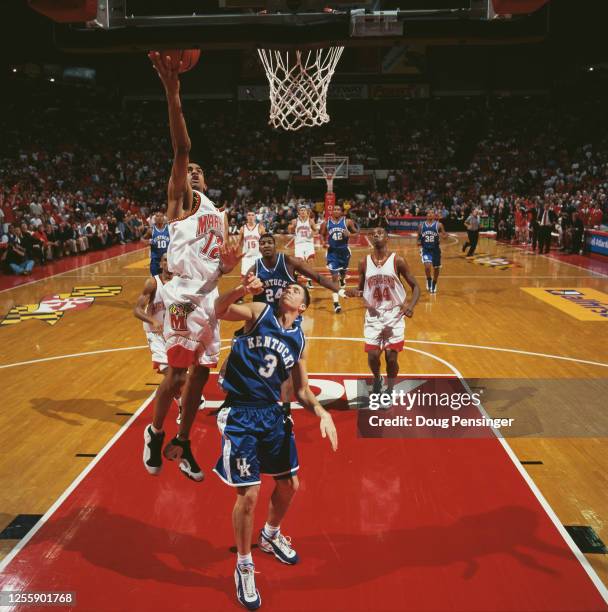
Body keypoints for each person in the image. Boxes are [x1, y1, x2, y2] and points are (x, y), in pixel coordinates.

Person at [142, 51, 241, 482]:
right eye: (190, 170)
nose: (194, 172)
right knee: (178, 370)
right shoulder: (180, 201)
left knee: (201, 377)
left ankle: (181, 442)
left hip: (208, 297)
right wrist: (173, 92)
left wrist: (230, 266)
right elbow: (181, 146)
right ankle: (155, 431)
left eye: (200, 171)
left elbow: (219, 265)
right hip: (182, 295)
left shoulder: (218, 213)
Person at [214, 274, 338, 611]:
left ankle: (269, 535)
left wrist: (321, 412)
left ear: (302, 307)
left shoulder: (298, 340)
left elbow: (301, 389)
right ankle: (243, 565)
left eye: (297, 290)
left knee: (289, 485)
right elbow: (218, 309)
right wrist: (240, 289)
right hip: (240, 412)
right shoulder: (259, 312)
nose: (289, 289)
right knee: (250, 494)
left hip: (272, 415)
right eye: (289, 287)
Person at [346, 227, 420, 394]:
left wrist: (410, 305)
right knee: (372, 356)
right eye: (374, 233)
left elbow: (416, 287)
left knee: (391, 358)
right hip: (373, 316)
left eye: (380, 233)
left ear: (387, 239)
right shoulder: (363, 262)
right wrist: (355, 292)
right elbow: (361, 289)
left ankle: (390, 388)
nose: (376, 235)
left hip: (394, 316)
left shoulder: (397, 260)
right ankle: (378, 377)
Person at [133, 253, 186, 424]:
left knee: (179, 376)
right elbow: (137, 310)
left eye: (172, 261)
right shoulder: (152, 283)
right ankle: (182, 405)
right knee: (169, 373)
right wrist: (152, 320)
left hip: (174, 333)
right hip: (155, 334)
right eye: (165, 261)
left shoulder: (180, 283)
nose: (169, 264)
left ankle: (183, 401)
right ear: (161, 264)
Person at [319, 203, 358, 313]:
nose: (335, 211)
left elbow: (357, 233)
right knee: (334, 278)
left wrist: (350, 234)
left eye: (338, 209)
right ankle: (336, 304)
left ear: (342, 212)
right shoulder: (326, 223)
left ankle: (343, 277)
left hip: (344, 252)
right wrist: (323, 242)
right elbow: (321, 234)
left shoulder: (347, 222)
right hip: (332, 253)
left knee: (343, 272)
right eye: (334, 209)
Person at [288, 205, 318, 288]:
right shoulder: (295, 221)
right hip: (299, 244)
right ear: (299, 212)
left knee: (310, 261)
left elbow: (316, 230)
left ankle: (309, 281)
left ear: (307, 212)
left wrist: (313, 233)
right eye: (301, 210)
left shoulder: (310, 221)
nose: (303, 212)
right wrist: (291, 228)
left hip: (309, 243)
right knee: (299, 262)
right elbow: (290, 231)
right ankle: (295, 275)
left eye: (304, 210)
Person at [418, 210, 446, 293]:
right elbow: (419, 235)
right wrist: (418, 241)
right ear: (426, 215)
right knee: (427, 267)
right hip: (426, 249)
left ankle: (434, 282)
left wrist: (444, 236)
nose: (430, 214)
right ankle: (429, 280)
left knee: (436, 268)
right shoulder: (421, 225)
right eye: (428, 213)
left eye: (432, 213)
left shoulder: (439, 225)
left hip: (436, 249)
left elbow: (444, 235)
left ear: (434, 215)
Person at [239, 211, 266, 277]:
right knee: (244, 277)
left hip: (258, 256)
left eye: (252, 215)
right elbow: (239, 243)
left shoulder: (260, 227)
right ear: (246, 217)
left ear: (255, 217)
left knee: (259, 277)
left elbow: (266, 240)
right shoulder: (242, 228)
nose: (250, 217)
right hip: (246, 257)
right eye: (249, 215)